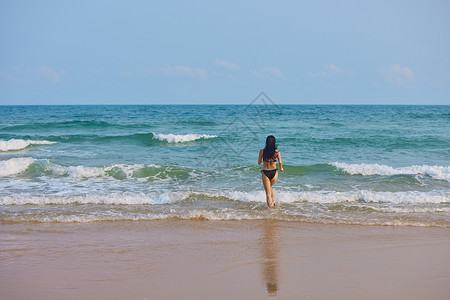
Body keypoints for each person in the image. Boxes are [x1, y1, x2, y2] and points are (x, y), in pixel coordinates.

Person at [258, 135, 283, 208]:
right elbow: (280, 162)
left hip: (266, 173)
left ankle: (270, 211)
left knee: (268, 193)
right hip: (274, 173)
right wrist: (281, 168)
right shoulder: (277, 152)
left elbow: (259, 162)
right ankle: (273, 201)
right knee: (269, 188)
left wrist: (263, 159)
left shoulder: (262, 151)